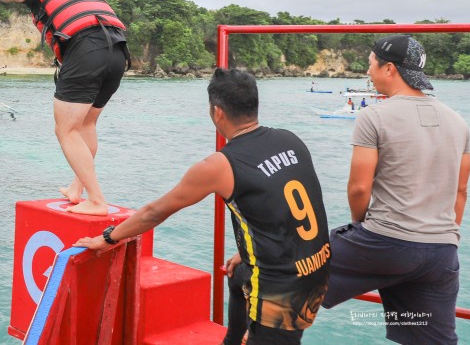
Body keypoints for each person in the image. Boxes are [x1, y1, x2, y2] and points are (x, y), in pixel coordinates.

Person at [76, 68, 330, 343]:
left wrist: (107, 238)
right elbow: (285, 207)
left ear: (217, 112)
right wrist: (247, 252)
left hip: (281, 291)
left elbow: (155, 212)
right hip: (319, 269)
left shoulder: (220, 165)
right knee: (238, 275)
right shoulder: (290, 139)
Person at [0, 0, 188, 215]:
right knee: (86, 124)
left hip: (86, 48)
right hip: (118, 51)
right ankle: (77, 190)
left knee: (65, 130)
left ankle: (97, 200)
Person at [321, 35, 470, 344]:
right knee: (432, 339)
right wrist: (440, 238)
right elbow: (460, 192)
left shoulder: (373, 116)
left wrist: (362, 227)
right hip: (441, 253)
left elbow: (359, 188)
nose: (368, 72)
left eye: (371, 65)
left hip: (383, 244)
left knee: (281, 271)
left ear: (389, 69)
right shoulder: (459, 122)